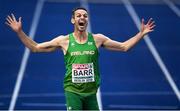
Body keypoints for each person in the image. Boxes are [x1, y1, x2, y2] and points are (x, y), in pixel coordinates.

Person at [6, 7, 155, 110]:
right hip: (73, 91)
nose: (82, 17)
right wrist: (19, 32)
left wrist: (141, 34)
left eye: (85, 16)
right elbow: (35, 47)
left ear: (87, 20)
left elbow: (124, 47)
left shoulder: (97, 39)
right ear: (73, 20)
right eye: (78, 15)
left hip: (91, 93)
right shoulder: (63, 41)